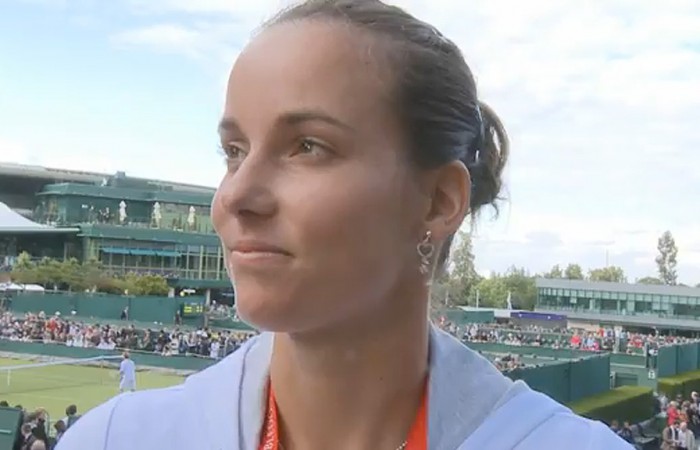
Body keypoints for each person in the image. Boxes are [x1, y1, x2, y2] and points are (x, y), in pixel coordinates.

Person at [58, 1, 632, 449]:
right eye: (234, 151)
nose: (236, 194)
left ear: (436, 200)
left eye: (307, 146)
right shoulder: (114, 441)